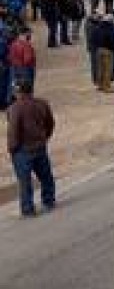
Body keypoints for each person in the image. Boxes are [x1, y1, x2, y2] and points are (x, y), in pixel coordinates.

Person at [7, 79, 56, 218]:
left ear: (18, 91)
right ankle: (49, 201)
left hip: (23, 150)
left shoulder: (15, 108)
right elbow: (50, 123)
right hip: (40, 146)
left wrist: (12, 148)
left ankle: (28, 209)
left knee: (25, 181)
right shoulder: (42, 103)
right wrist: (44, 137)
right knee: (46, 176)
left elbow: (13, 131)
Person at [94, 14, 114, 92]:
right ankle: (107, 86)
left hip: (98, 50)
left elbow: (93, 38)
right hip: (108, 50)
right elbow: (112, 39)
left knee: (100, 68)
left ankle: (100, 85)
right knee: (107, 70)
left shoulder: (97, 28)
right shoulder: (110, 28)